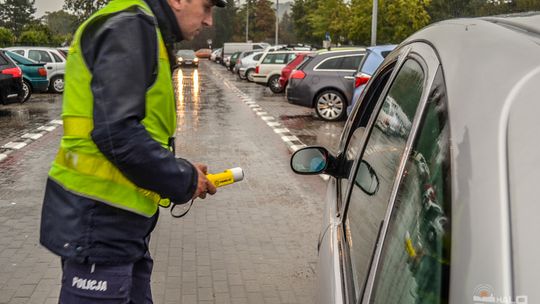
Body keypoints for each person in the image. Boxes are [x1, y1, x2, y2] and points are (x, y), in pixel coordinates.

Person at [39, 0, 225, 302]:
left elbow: (135, 131)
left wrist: (182, 171)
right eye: (206, 7)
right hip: (99, 226)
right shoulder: (131, 25)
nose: (209, 21)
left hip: (119, 230)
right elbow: (117, 134)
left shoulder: (145, 29)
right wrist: (183, 180)